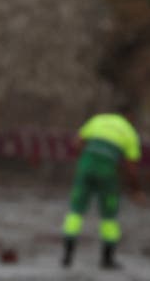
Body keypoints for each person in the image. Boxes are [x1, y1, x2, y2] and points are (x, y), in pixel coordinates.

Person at [60, 111, 143, 269]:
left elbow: (77, 143)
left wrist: (82, 162)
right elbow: (132, 168)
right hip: (107, 173)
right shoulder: (129, 132)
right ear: (129, 118)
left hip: (85, 168)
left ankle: (67, 256)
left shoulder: (98, 120)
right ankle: (107, 259)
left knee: (75, 211)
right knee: (109, 217)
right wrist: (135, 190)